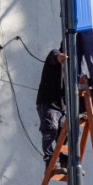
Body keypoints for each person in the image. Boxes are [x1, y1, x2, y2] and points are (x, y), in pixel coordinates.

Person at [36, 45, 68, 175]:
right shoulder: (55, 53)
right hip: (48, 103)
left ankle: (65, 162)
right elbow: (54, 57)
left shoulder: (71, 69)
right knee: (51, 128)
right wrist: (60, 58)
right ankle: (49, 162)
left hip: (61, 107)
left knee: (64, 134)